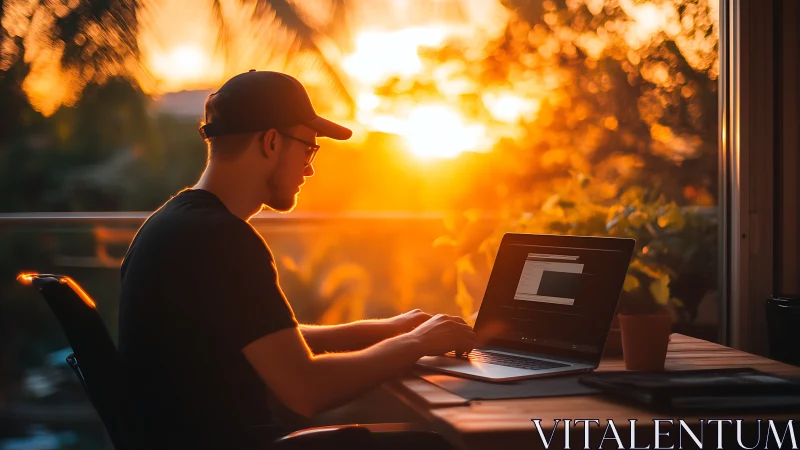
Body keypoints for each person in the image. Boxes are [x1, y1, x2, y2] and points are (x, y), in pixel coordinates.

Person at [118, 70, 476, 450]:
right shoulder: (221, 238)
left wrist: (387, 329)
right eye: (308, 148)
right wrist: (417, 342)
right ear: (271, 141)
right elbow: (306, 389)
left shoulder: (174, 223)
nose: (310, 169)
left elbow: (264, 342)